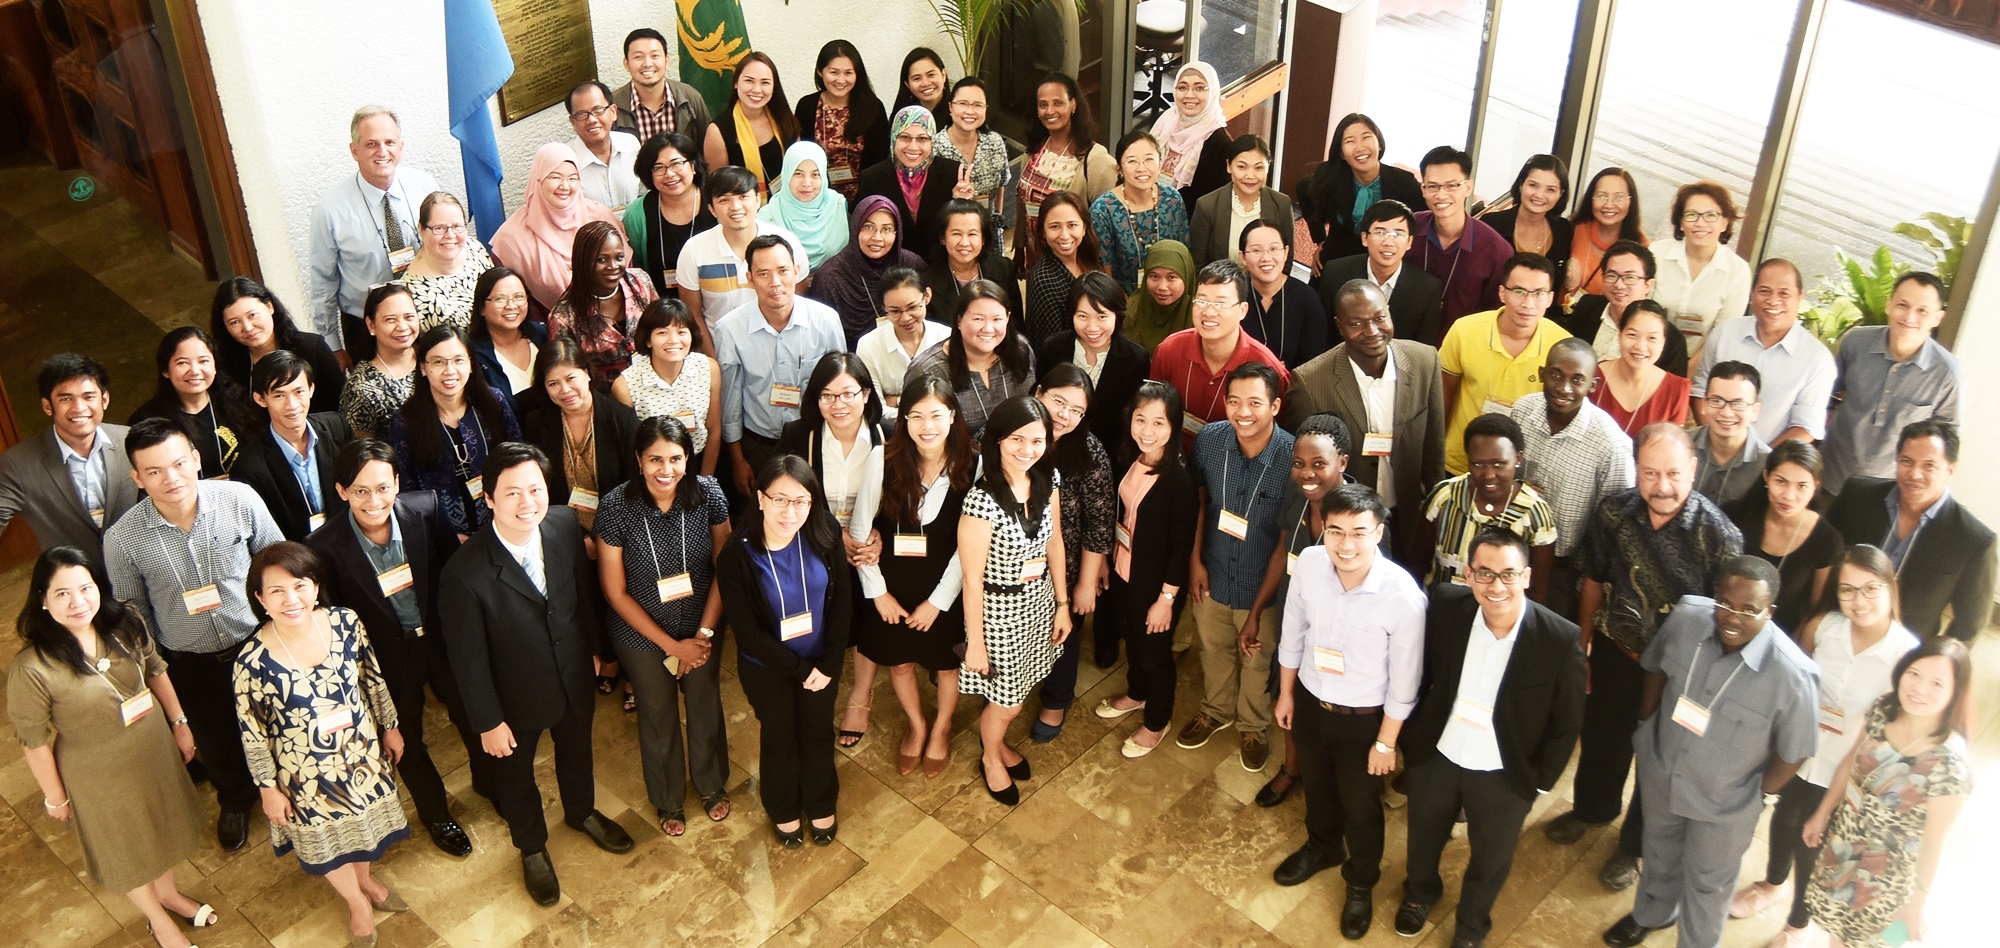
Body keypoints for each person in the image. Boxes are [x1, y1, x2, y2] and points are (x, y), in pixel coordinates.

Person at [1547, 423, 1743, 892]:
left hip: (1680, 673)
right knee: (1601, 739)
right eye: (1650, 473)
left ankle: (1633, 847)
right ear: (1636, 470)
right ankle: (1592, 810)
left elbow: (1727, 620)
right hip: (1618, 650)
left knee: (1658, 760)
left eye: (1673, 473)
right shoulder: (1614, 513)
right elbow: (1592, 579)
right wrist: (1585, 644)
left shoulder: (1719, 536)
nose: (1662, 486)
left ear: (1693, 470)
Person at [440, 442, 632, 905]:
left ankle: (581, 812)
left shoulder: (564, 524)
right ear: (488, 500)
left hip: (571, 674)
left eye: (535, 489)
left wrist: (594, 651)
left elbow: (580, 596)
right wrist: (487, 720)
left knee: (576, 750)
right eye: (512, 493)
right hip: (512, 698)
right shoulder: (463, 573)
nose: (528, 503)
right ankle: (531, 848)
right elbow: (467, 659)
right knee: (516, 776)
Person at [1603, 557, 1819, 948]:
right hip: (1664, 769)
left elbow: (1795, 750)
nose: (1732, 618)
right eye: (1724, 603)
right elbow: (1656, 668)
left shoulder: (1793, 675)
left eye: (1749, 610)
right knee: (1659, 852)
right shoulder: (1687, 617)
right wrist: (1645, 728)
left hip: (1727, 801)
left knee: (1709, 881)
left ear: (1770, 612)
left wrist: (1762, 794)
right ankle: (1651, 914)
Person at [9, 547, 210, 948]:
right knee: (126, 847)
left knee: (162, 825)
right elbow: (34, 742)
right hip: (98, 770)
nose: (77, 601)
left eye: (85, 587)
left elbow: (157, 671)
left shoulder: (125, 623)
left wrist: (180, 723)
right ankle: (157, 919)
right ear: (43, 601)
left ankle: (168, 893)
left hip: (152, 745)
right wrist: (55, 798)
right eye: (62, 593)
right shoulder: (32, 667)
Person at [1395, 531, 1586, 948]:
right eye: (1484, 574)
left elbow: (1567, 721)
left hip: (1504, 772)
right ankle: (1419, 894)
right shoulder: (1446, 606)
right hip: (1438, 754)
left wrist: (1538, 782)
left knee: (1490, 860)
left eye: (1508, 574)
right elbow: (1421, 670)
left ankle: (1470, 927)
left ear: (1527, 576)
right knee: (1423, 835)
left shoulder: (1559, 638)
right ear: (1468, 574)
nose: (1496, 586)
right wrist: (1410, 737)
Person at [103, 418, 284, 851]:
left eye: (179, 463)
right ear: (137, 478)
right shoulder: (122, 539)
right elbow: (135, 616)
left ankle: (286, 788)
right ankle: (236, 799)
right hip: (190, 660)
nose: (171, 478)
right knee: (216, 737)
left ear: (196, 459)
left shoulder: (238, 499)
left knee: (277, 725)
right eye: (155, 471)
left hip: (256, 643)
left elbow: (277, 563)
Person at [1731, 544, 1917, 947]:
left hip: (1848, 769)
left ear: (1890, 588)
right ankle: (1772, 883)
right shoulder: (1826, 627)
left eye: (1870, 589)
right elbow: (1790, 681)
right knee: (1784, 819)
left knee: (1813, 844)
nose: (1858, 601)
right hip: (1801, 750)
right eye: (1847, 590)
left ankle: (1798, 923)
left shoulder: (1906, 655)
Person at [306, 439, 480, 859]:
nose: (374, 500)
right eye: (361, 491)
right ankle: (436, 814)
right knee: (407, 740)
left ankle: (490, 783)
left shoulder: (427, 508)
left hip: (439, 641)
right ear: (342, 491)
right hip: (386, 658)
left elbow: (455, 576)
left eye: (383, 488)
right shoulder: (323, 546)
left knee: (472, 715)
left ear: (397, 483)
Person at [233, 542, 409, 944]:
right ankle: (356, 903)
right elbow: (253, 734)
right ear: (260, 599)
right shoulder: (251, 662)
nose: (290, 599)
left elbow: (372, 677)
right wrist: (267, 789)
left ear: (315, 586)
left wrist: (390, 726)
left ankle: (366, 881)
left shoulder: (346, 622)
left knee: (363, 831)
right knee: (327, 845)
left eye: (299, 585)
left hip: (361, 754)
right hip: (305, 776)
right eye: (276, 591)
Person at [1270, 483, 1425, 939]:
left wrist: (1386, 742)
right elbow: (1292, 632)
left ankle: (1361, 881)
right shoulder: (1313, 564)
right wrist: (1285, 694)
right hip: (1312, 704)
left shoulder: (1402, 596)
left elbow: (1405, 681)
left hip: (1365, 721)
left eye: (1359, 532)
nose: (1346, 544)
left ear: (1378, 532)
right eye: (1335, 531)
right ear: (1323, 530)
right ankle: (1322, 847)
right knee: (1317, 787)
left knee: (1360, 809)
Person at [592, 416, 734, 835]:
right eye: (655, 459)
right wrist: (673, 647)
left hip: (701, 621)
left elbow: (724, 569)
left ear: (687, 458)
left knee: (705, 703)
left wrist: (703, 635)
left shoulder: (708, 493)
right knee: (657, 715)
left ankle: (711, 784)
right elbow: (615, 592)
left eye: (675, 458)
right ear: (638, 460)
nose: (665, 470)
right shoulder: (616, 506)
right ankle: (668, 800)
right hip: (641, 633)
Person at [1802, 637, 1971, 948]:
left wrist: (1918, 901)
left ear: (1954, 694)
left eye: (1937, 683)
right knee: (1836, 934)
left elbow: (1934, 843)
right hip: (1845, 845)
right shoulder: (1885, 708)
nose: (1919, 689)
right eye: (1915, 674)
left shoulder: (1950, 766)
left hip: (1886, 878)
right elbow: (1852, 761)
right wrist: (1823, 811)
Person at [717, 455, 851, 844]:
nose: (790, 512)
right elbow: (747, 631)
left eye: (801, 501)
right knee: (780, 736)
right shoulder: (737, 554)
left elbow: (842, 602)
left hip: (821, 661)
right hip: (768, 666)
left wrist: (827, 662)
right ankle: (783, 807)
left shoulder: (824, 530)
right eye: (780, 499)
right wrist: (799, 668)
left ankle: (821, 801)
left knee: (816, 732)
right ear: (760, 499)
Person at [851, 378, 975, 775]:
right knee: (900, 663)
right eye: (916, 416)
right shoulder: (882, 459)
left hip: (946, 591)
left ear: (952, 417)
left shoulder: (973, 464)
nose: (927, 426)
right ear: (903, 419)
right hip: (892, 588)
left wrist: (938, 603)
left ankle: (941, 727)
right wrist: (879, 594)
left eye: (936, 415)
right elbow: (860, 530)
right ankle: (918, 725)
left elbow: (968, 547)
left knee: (946, 666)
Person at [1284, 280, 1447, 572]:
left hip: (1408, 514)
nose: (1371, 332)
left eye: (1379, 318)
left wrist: (1431, 516)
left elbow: (1434, 448)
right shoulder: (1310, 382)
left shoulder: (1425, 361)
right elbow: (1306, 468)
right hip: (1348, 528)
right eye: (1356, 323)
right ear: (1339, 326)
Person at [1179, 362, 1294, 769]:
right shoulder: (1210, 440)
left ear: (1276, 406)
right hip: (1210, 570)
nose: (1242, 412)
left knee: (1257, 656)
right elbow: (1198, 501)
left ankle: (1252, 724)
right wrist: (1194, 560)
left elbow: (1285, 541)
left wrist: (1260, 607)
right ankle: (1216, 709)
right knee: (1212, 647)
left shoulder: (1292, 456)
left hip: (1261, 581)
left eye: (1255, 403)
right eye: (1234, 401)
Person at [958, 396, 1071, 805]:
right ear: (998, 441)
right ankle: (990, 756)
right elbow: (971, 580)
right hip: (998, 613)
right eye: (1017, 440)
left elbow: (1055, 541)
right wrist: (975, 643)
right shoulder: (981, 499)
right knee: (1008, 701)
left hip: (1039, 602)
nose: (1028, 450)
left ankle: (999, 745)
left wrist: (1062, 604)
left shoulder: (1047, 478)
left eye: (1037, 440)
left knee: (1021, 688)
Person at [777, 353, 888, 748]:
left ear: (866, 394)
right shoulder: (798, 435)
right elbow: (784, 496)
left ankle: (861, 696)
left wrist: (881, 535)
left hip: (867, 545)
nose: (838, 405)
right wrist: (831, 533)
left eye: (847, 394)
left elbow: (905, 495)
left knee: (868, 620)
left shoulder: (887, 434)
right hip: (813, 542)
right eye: (827, 396)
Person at [1251, 413, 1353, 806]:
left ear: (1342, 463)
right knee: (1288, 693)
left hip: (1338, 637)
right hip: (1294, 622)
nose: (1307, 474)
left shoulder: (1362, 515)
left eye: (1318, 464)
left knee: (1333, 711)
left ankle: (1333, 781)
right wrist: (1259, 610)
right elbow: (1282, 551)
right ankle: (1292, 768)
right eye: (1299, 463)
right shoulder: (1297, 496)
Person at [1093, 381, 1197, 757]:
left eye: (1158, 423)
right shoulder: (1130, 457)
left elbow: (1180, 547)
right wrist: (1106, 562)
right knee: (1132, 641)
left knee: (1155, 653)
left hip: (1157, 585)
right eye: (1141, 420)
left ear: (1174, 427)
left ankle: (1157, 721)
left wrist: (1166, 600)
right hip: (1124, 570)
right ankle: (1136, 693)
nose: (1147, 431)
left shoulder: (1179, 480)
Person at [1826, 419, 1996, 641]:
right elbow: (1822, 556)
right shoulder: (1857, 495)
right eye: (1906, 461)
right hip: (1834, 626)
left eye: (1929, 465)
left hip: (1902, 650)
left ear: (1950, 470)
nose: (1914, 474)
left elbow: (1969, 626)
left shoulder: (1974, 541)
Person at [1508, 338, 1634, 617]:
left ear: (1593, 385)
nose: (1564, 388)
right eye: (1556, 375)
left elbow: (1614, 525)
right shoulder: (1522, 410)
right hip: (1512, 548)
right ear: (1542, 373)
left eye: (1577, 380)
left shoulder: (1612, 446)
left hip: (1563, 570)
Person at [308, 105, 443, 363]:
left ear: (401, 147)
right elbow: (323, 282)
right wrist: (332, 344)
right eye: (371, 144)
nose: (382, 152)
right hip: (365, 328)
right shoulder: (329, 210)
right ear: (354, 151)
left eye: (389, 142)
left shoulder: (424, 185)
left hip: (427, 314)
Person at [716, 236, 846, 495]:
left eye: (783, 271)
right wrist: (737, 459)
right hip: (760, 444)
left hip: (816, 439)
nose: (775, 283)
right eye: (763, 273)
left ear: (797, 271)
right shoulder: (730, 329)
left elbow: (841, 384)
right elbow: (730, 400)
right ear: (749, 278)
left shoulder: (826, 321)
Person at [1026, 364, 1115, 742]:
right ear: (1038, 392)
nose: (1064, 415)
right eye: (1058, 401)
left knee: (1065, 635)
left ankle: (1056, 700)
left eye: (1076, 410)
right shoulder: (1013, 433)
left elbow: (1100, 523)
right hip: (1013, 564)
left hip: (1069, 566)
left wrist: (1086, 582)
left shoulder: (1090, 452)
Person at [1820, 272, 1962, 494]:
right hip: (1829, 477)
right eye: (1902, 305)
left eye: (1922, 311)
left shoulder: (1946, 374)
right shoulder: (1855, 342)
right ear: (1888, 304)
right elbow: (1823, 396)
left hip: (1889, 494)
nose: (1909, 317)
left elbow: (1945, 440)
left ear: (1937, 319)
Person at [1438, 253, 1572, 474]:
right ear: (1502, 293)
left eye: (1538, 293)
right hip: (1459, 461)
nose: (1528, 303)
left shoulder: (1562, 347)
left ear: (1550, 298)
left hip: (1521, 468)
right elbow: (1444, 393)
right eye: (1519, 291)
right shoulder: (1464, 330)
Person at [385, 326, 522, 536]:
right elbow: (406, 491)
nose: (450, 370)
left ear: (471, 364)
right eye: (438, 361)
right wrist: (445, 537)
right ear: (423, 367)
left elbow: (519, 462)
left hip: (502, 525)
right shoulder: (405, 422)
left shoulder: (494, 403)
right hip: (441, 537)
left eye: (458, 360)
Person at [0, 354, 140, 557]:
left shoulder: (130, 440)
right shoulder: (17, 465)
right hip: (72, 581)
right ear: (48, 406)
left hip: (140, 574)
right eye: (66, 399)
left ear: (105, 400)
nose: (79, 408)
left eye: (88, 397)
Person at [1690, 259, 1833, 446]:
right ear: (1752, 294)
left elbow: (1805, 427)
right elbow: (1699, 392)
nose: (1773, 301)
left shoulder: (1817, 360)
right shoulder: (1724, 333)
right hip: (1708, 451)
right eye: (1764, 291)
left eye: (1784, 293)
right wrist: (1719, 445)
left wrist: (1758, 464)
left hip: (1766, 466)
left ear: (1800, 298)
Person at [1149, 261, 1290, 441]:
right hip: (1175, 456)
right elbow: (1153, 410)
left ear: (1242, 310)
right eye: (1201, 301)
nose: (1208, 312)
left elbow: (1278, 433)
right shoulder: (1170, 349)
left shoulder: (1266, 365)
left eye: (1221, 303)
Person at [1420, 413, 1558, 597]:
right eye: (1477, 464)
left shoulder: (1536, 514)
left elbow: (1537, 590)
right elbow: (1418, 563)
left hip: (1501, 619)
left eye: (1499, 464)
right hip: (1440, 610)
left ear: (1518, 458)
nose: (1488, 475)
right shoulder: (1445, 496)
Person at [230, 351, 352, 541]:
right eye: (279, 395)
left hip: (349, 539)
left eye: (299, 391)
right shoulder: (249, 468)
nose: (292, 404)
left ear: (311, 389)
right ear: (261, 399)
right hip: (297, 556)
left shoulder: (337, 427)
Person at [489, 143, 625, 314]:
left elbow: (627, 276)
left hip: (616, 318)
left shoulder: (601, 216)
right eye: (555, 177)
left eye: (573, 178)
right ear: (538, 179)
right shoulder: (511, 237)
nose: (565, 186)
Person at [674, 166, 812, 333]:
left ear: (757, 200)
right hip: (720, 350)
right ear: (711, 208)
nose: (735, 207)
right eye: (724, 200)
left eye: (743, 197)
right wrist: (713, 358)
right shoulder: (694, 250)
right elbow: (693, 315)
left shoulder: (786, 243)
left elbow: (800, 300)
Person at [1726, 441, 1843, 636]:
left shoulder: (1827, 540)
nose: (1789, 496)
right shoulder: (1735, 514)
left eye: (1801, 486)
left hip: (1780, 639)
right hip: (1725, 624)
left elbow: (1817, 610)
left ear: (1816, 486)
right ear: (1766, 476)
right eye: (1780, 481)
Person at [523, 338, 639, 533]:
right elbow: (540, 488)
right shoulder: (536, 424)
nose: (565, 390)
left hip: (616, 531)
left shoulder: (622, 420)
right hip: (560, 531)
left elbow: (632, 487)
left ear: (586, 373)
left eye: (570, 378)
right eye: (553, 383)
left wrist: (604, 538)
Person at [906, 279, 1039, 442]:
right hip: (957, 462)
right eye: (978, 319)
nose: (988, 329)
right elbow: (911, 430)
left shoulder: (1021, 351)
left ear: (1008, 318)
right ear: (959, 320)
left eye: (997, 319)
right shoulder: (928, 369)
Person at [1013, 73, 1117, 274]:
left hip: (1075, 268)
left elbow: (1107, 226)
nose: (1049, 111)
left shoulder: (1096, 160)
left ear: (1073, 105)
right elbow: (1021, 205)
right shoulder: (1033, 152)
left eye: (1057, 103)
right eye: (1043, 105)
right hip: (1037, 261)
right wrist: (1019, 247)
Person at [1294, 114, 1424, 271]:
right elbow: (1303, 189)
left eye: (1366, 137)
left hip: (1386, 262)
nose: (1360, 147)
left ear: (1380, 144)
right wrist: (1320, 240)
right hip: (1338, 258)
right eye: (1350, 141)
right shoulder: (1330, 175)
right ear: (1341, 153)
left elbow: (1423, 222)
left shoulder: (1404, 182)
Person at [1035, 272, 1148, 451]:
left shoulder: (1135, 358)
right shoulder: (1053, 348)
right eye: (1082, 316)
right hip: (1051, 447)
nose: (1092, 327)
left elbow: (1131, 419)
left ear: (1117, 315)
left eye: (1102, 316)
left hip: (1109, 453)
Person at [613, 297, 721, 477]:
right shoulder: (626, 385)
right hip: (654, 472)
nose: (673, 340)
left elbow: (714, 429)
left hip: (698, 461)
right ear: (648, 340)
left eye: (681, 332)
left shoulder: (708, 368)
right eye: (662, 333)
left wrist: (706, 480)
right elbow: (631, 448)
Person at [128, 328, 255, 480]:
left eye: (203, 361)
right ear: (165, 370)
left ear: (215, 365)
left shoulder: (241, 401)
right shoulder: (146, 420)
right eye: (182, 363)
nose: (195, 370)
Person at [1409, 146, 1512, 330]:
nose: (1441, 195)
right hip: (1403, 342)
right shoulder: (1407, 228)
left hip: (1459, 350)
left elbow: (1495, 315)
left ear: (1467, 187)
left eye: (1451, 186)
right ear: (1423, 189)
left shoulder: (1496, 251)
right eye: (1433, 186)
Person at [1318, 199, 1446, 347]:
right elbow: (1323, 333)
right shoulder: (1335, 273)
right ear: (1365, 238)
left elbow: (1423, 348)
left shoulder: (1428, 288)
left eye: (1398, 234)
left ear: (1409, 242)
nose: (1389, 242)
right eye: (1380, 232)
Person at [211, 276, 345, 416]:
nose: (248, 327)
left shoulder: (312, 349)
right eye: (234, 322)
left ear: (269, 307)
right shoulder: (226, 366)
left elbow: (340, 405)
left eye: (252, 315)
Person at [857, 106, 973, 264]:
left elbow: (961, 227)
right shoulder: (871, 178)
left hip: (940, 267)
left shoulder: (952, 173)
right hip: (892, 269)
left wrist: (961, 201)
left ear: (932, 140)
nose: (913, 146)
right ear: (893, 139)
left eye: (922, 138)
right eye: (904, 137)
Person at [547, 220, 658, 385]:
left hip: (654, 383)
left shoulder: (640, 282)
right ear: (583, 261)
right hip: (606, 398)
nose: (613, 266)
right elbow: (567, 375)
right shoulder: (563, 317)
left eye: (619, 257)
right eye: (601, 259)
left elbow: (663, 326)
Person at [808, 194, 926, 348]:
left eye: (887, 229)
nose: (877, 237)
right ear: (855, 227)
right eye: (868, 227)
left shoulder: (912, 265)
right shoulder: (830, 277)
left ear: (897, 233)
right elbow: (822, 338)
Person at [1653, 181, 1752, 365]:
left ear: (1724, 223)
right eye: (1692, 215)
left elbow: (1721, 336)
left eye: (1711, 216)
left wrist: (1684, 376)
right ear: (1680, 222)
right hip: (1644, 356)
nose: (1700, 223)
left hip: (1697, 364)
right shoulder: (1657, 254)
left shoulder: (1738, 272)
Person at [1556, 240, 1688, 376]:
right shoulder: (1587, 307)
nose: (1619, 285)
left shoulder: (1671, 339)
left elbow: (1669, 389)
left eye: (1630, 277)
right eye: (1612, 275)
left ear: (1648, 285)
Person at [1091, 129, 1190, 291]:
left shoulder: (1172, 199)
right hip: (1124, 300)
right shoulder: (1103, 209)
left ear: (1159, 165)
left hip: (1170, 295)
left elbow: (1184, 254)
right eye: (1132, 161)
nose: (1141, 168)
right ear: (1120, 170)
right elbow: (1104, 269)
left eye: (1149, 159)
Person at [620, 131, 715, 298]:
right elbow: (637, 272)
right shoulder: (637, 214)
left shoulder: (715, 200)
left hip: (718, 302)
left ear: (692, 166)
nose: (669, 174)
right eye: (659, 168)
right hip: (665, 310)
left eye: (676, 164)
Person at [795, 40, 889, 202]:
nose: (841, 80)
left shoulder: (873, 107)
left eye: (848, 73)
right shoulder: (806, 106)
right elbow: (801, 156)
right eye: (834, 72)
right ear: (820, 71)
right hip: (817, 198)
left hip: (864, 197)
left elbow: (879, 162)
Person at [701, 52, 799, 202]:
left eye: (765, 82)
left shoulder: (784, 119)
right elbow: (719, 190)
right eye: (749, 81)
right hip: (743, 215)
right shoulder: (718, 131)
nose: (757, 90)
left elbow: (798, 167)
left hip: (788, 205)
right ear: (736, 83)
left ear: (774, 87)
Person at [856, 267, 951, 414]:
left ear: (927, 297)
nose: (906, 318)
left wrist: (899, 401)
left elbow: (957, 400)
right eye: (895, 311)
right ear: (884, 308)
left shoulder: (946, 337)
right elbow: (874, 408)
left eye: (912, 307)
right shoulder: (868, 345)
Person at [1188, 134, 1294, 266]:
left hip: (1267, 284)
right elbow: (1197, 263)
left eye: (1258, 168)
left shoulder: (1281, 204)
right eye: (1242, 167)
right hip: (1220, 284)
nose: (1250, 176)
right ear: (1229, 166)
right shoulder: (1207, 206)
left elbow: (1287, 260)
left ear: (1268, 168)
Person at [1240, 218, 1331, 367]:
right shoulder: (1231, 295)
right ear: (1243, 257)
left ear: (1286, 252)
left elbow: (1313, 361)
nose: (1266, 258)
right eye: (1256, 250)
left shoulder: (1307, 299)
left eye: (1274, 249)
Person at [400, 191, 494, 333]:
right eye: (439, 228)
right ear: (421, 229)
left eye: (457, 226)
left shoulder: (474, 248)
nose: (450, 235)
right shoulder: (411, 292)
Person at [1590, 300, 1691, 432]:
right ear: (1619, 335)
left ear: (1664, 342)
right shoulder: (1592, 376)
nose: (1640, 346)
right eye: (1632, 335)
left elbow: (1671, 447)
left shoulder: (1677, 389)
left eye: (1652, 338)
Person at [1480, 154, 1574, 294]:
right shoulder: (1492, 224)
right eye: (1533, 185)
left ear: (1560, 194)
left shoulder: (1563, 230)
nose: (1539, 195)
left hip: (1543, 314)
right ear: (1520, 185)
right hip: (1494, 313)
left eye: (1550, 189)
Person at [1023, 190, 1108, 343]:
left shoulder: (1090, 258)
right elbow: (1051, 346)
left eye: (1072, 225)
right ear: (1043, 232)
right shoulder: (1044, 279)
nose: (1064, 235)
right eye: (1055, 227)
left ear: (1084, 228)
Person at [338, 284, 422, 438]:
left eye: (409, 317)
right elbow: (364, 452)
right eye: (390, 320)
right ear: (371, 325)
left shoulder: (433, 355)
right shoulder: (361, 388)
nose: (402, 327)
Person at [466, 267, 548, 415]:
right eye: (500, 299)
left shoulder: (543, 335)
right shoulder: (473, 356)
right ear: (481, 308)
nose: (511, 306)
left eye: (518, 297)